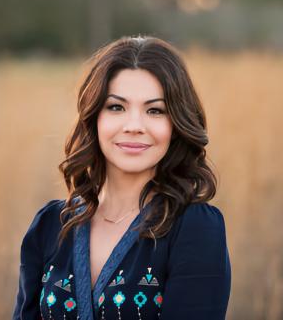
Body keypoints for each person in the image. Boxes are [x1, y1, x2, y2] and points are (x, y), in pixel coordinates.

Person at [12, 35, 231, 320]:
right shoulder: (50, 226)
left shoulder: (194, 229)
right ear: (94, 117)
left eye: (155, 110)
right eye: (116, 107)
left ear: (176, 125)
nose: (134, 126)